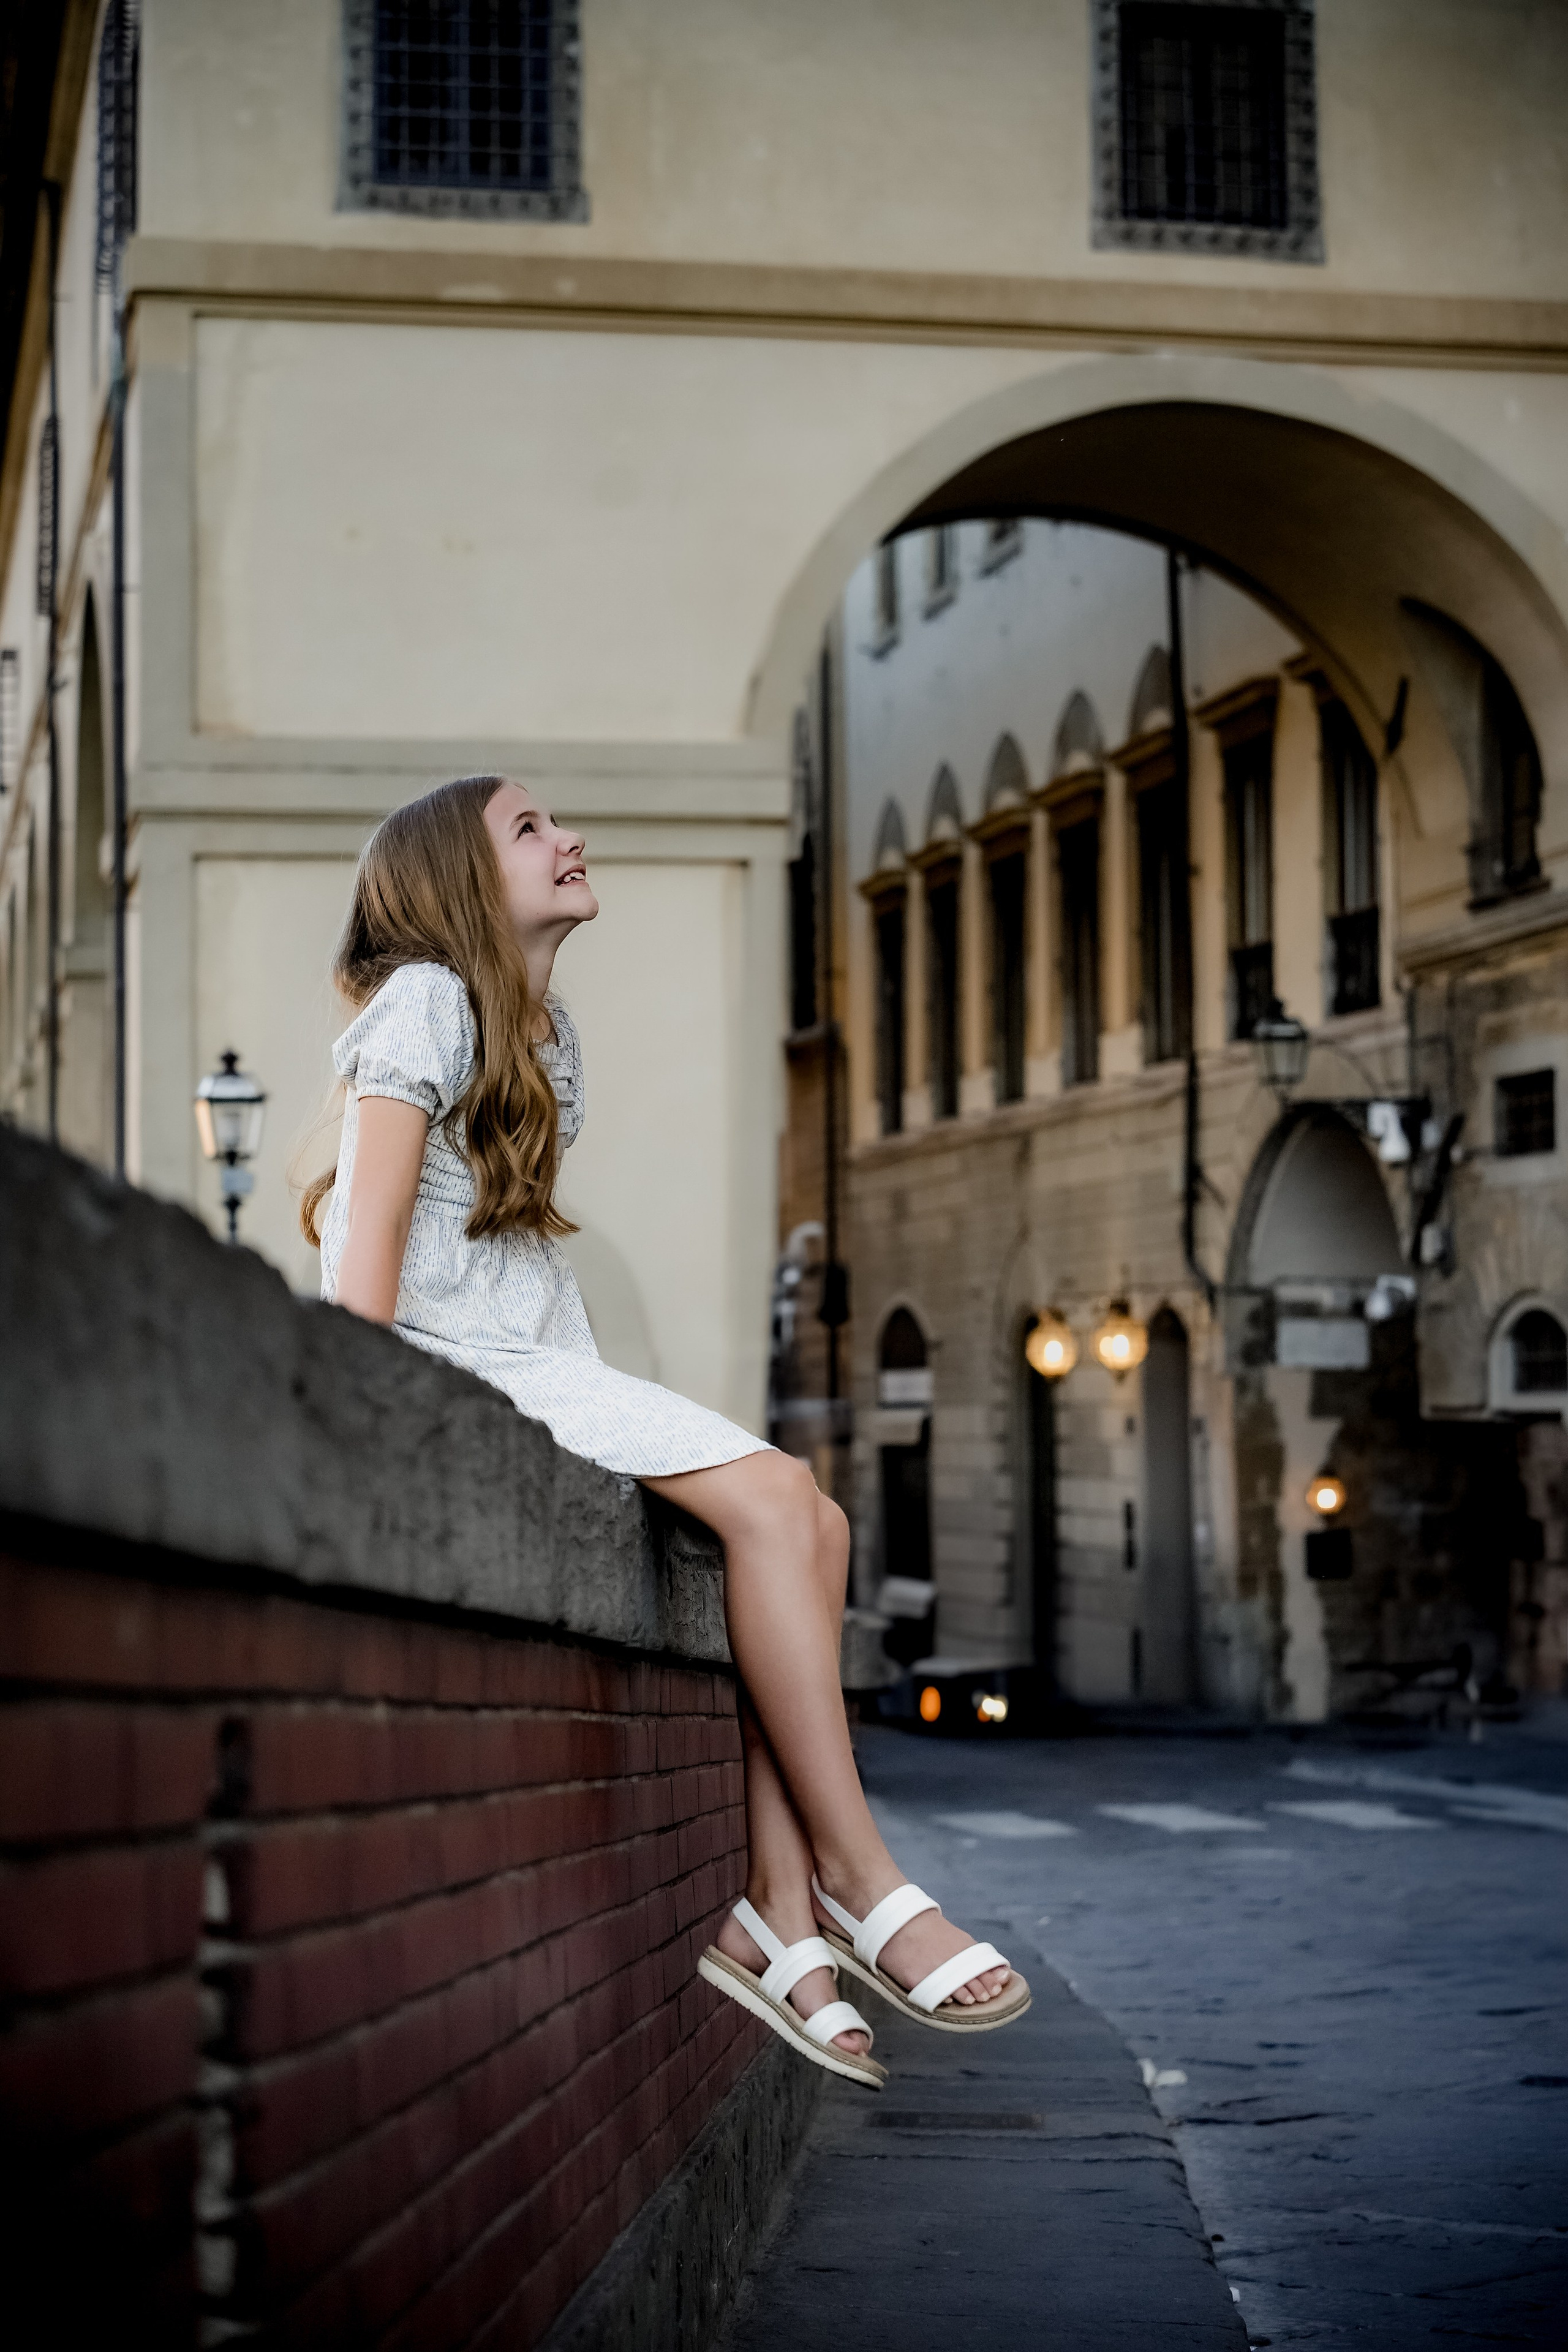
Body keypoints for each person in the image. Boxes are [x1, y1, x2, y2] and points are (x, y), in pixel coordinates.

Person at [303, 775, 1029, 2089]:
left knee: (814, 1523)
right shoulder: (425, 1000)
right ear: (458, 879)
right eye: (529, 829)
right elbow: (369, 1257)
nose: (569, 838)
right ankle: (857, 1877)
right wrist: (367, 1425)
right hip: (456, 1355)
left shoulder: (545, 1032)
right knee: (779, 1497)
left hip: (532, 1346)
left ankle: (780, 1915)